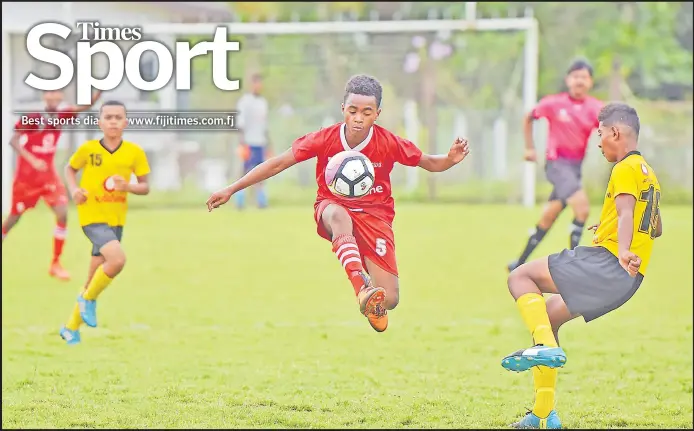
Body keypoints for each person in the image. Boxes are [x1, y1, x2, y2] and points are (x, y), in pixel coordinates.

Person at [207, 74, 470, 332]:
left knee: (390, 299)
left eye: (367, 112)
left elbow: (428, 162)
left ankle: (372, 299)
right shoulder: (325, 139)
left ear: (377, 113)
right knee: (339, 217)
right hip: (331, 205)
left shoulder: (388, 143)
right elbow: (278, 163)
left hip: (375, 217)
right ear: (343, 108)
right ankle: (361, 287)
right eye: (353, 110)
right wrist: (232, 188)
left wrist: (449, 159)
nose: (358, 118)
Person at [501, 103, 662, 429]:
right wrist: (610, 231)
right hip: (629, 279)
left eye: (600, 134)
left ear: (616, 132)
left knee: (520, 277)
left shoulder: (624, 168)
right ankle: (544, 415)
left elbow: (628, 214)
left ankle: (545, 348)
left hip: (610, 263)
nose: (598, 142)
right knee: (546, 317)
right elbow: (655, 227)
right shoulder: (649, 173)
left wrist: (622, 249)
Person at [59, 101, 151, 345]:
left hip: (116, 220)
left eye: (118, 117)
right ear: (99, 122)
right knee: (118, 260)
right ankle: (88, 300)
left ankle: (71, 328)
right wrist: (74, 190)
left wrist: (127, 186)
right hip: (92, 215)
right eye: (108, 117)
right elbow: (69, 168)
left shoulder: (134, 152)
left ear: (125, 122)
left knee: (93, 280)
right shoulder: (88, 149)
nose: (112, 121)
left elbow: (145, 187)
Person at [508, 59, 603, 272]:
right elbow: (529, 117)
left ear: (590, 82)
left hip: (575, 168)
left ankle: (519, 262)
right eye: (576, 76)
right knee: (582, 208)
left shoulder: (595, 108)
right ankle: (575, 266)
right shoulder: (554, 103)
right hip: (557, 164)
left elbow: (608, 128)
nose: (579, 81)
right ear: (568, 79)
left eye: (584, 77)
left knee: (549, 216)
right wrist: (529, 148)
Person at [2, 89, 102, 280]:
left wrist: (98, 92)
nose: (54, 97)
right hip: (26, 179)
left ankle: (55, 263)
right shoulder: (33, 118)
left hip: (48, 177)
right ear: (44, 97)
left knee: (63, 213)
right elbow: (13, 141)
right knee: (13, 218)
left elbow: (84, 107)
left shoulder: (61, 115)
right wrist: (32, 160)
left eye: (58, 94)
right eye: (50, 94)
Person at [234, 73, 271, 209]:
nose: (258, 86)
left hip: (260, 142)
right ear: (252, 84)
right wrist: (242, 143)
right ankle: (240, 199)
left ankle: (261, 200)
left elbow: (265, 125)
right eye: (256, 83)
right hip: (249, 142)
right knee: (245, 171)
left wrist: (268, 143)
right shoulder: (245, 102)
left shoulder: (263, 103)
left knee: (261, 172)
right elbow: (241, 124)